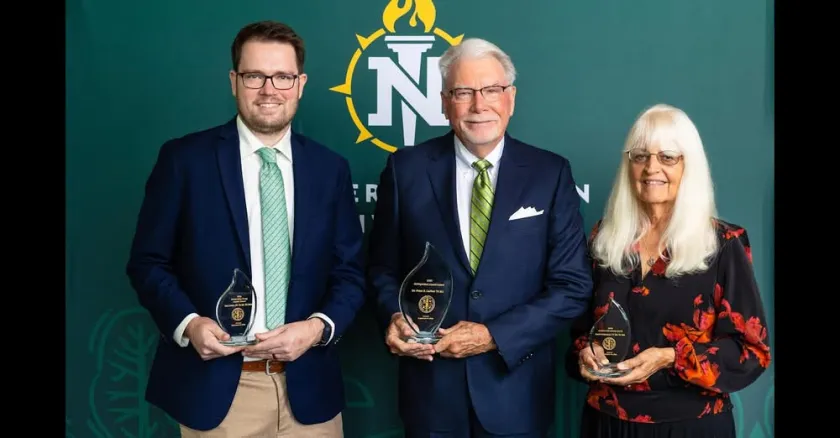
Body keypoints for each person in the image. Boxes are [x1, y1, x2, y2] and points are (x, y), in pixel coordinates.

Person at [125, 20, 366, 437]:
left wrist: (315, 329)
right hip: (218, 391)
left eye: (283, 77)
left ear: (301, 83)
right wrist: (189, 325)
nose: (269, 89)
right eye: (255, 75)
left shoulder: (330, 170)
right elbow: (148, 262)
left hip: (310, 391)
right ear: (235, 81)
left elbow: (349, 273)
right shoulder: (184, 161)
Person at [366, 37, 594, 438]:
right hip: (430, 396)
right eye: (463, 92)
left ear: (511, 98)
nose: (478, 105)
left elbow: (572, 287)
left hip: (516, 396)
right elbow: (382, 269)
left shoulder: (549, 173)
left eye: (491, 90)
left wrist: (492, 336)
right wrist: (394, 317)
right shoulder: (406, 170)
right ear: (443, 101)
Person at [566, 104, 771, 437]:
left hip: (692, 425)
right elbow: (580, 330)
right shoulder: (605, 238)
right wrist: (586, 354)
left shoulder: (723, 243)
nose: (651, 168)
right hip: (606, 421)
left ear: (690, 166)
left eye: (668, 157)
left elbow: (751, 352)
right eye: (640, 156)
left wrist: (668, 357)